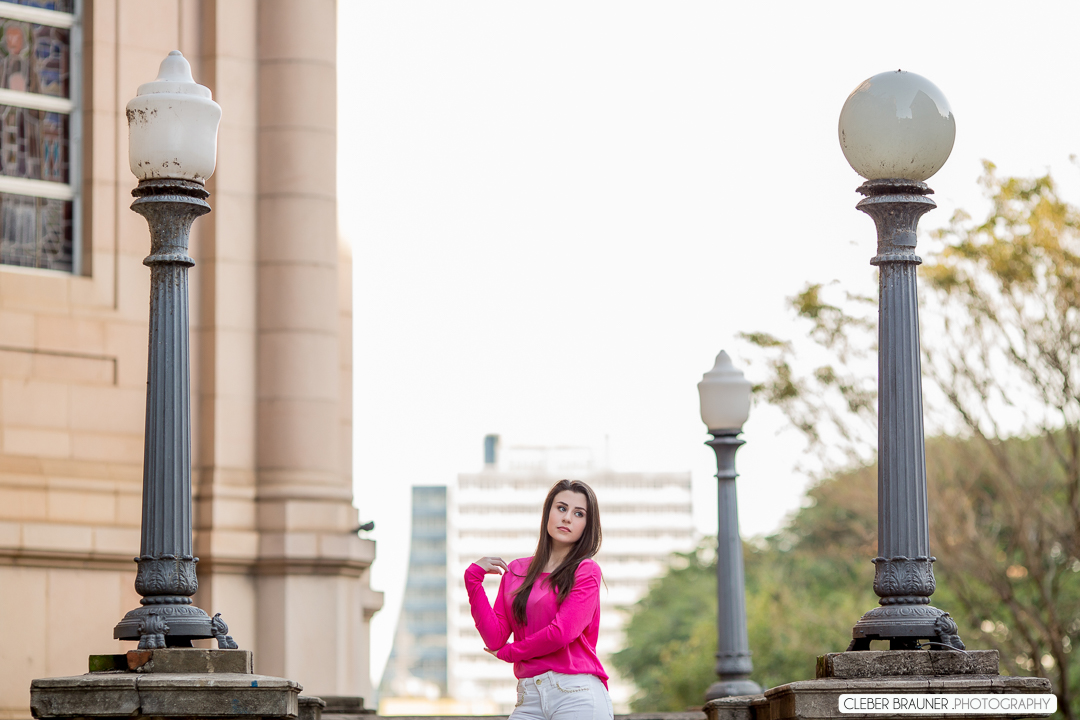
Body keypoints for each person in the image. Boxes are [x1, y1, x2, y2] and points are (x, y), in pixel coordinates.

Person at [465, 479, 612, 720]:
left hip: (576, 693)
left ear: (587, 525)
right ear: (548, 513)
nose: (567, 518)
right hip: (529, 698)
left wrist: (510, 653)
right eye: (561, 508)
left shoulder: (586, 571)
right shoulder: (516, 570)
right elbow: (495, 638)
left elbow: (561, 633)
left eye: (578, 513)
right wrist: (473, 580)